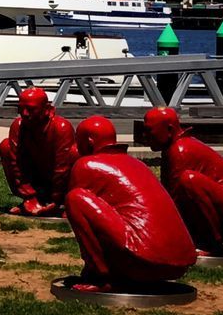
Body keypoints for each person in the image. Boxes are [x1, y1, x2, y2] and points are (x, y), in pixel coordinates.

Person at [64, 116, 196, 291]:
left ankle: (100, 275)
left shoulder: (86, 165)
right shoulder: (137, 164)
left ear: (89, 142)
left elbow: (83, 217)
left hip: (141, 262)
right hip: (178, 265)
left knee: (75, 198)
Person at [140, 107, 223, 251]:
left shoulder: (181, 151)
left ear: (169, 129)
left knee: (189, 180)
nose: (145, 136)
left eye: (149, 130)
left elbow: (173, 202)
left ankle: (210, 243)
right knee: (186, 184)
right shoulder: (175, 148)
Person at [0, 88, 77, 217]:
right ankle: (32, 200)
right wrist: (29, 195)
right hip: (36, 178)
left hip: (60, 183)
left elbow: (62, 168)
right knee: (6, 147)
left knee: (74, 153)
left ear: (47, 110)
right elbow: (16, 162)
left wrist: (56, 199)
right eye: (20, 109)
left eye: (31, 109)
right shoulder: (18, 126)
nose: (24, 114)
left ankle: (62, 202)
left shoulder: (61, 128)